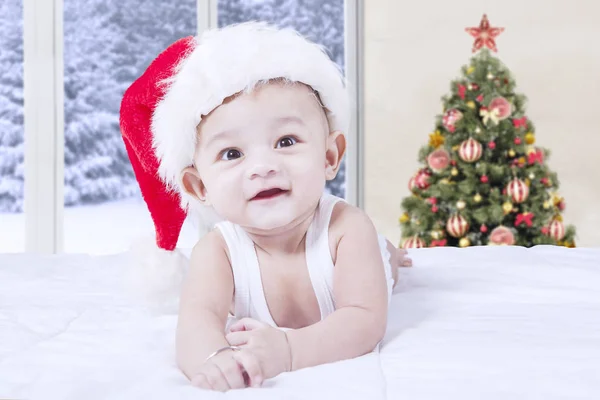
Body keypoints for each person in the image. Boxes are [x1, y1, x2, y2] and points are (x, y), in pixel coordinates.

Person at [119, 22, 412, 392]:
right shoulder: (217, 251)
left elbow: (365, 320)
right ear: (199, 186)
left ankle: (392, 255)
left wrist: (289, 350)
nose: (263, 167)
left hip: (359, 253)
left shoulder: (347, 229)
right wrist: (214, 359)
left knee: (384, 263)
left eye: (286, 141)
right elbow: (197, 321)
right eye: (232, 153)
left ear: (329, 155)